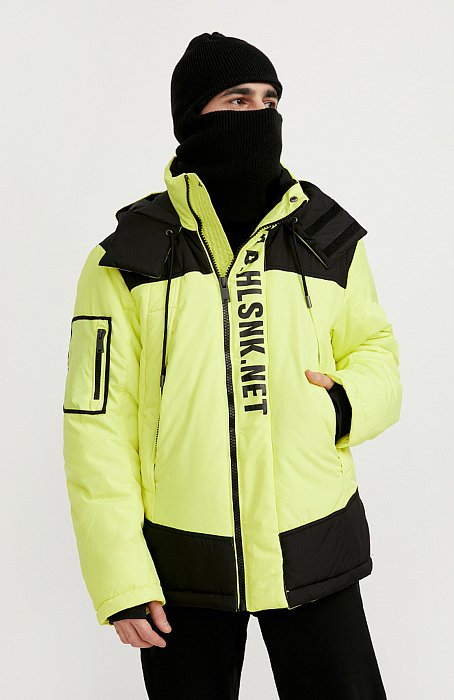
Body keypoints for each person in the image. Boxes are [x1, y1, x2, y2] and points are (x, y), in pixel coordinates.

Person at [62, 31, 402, 699]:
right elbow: (95, 426)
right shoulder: (128, 255)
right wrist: (121, 579)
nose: (259, 114)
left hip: (314, 542)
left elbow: (376, 351)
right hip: (182, 560)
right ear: (194, 115)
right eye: (237, 99)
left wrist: (341, 404)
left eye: (269, 100)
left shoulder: (325, 234)